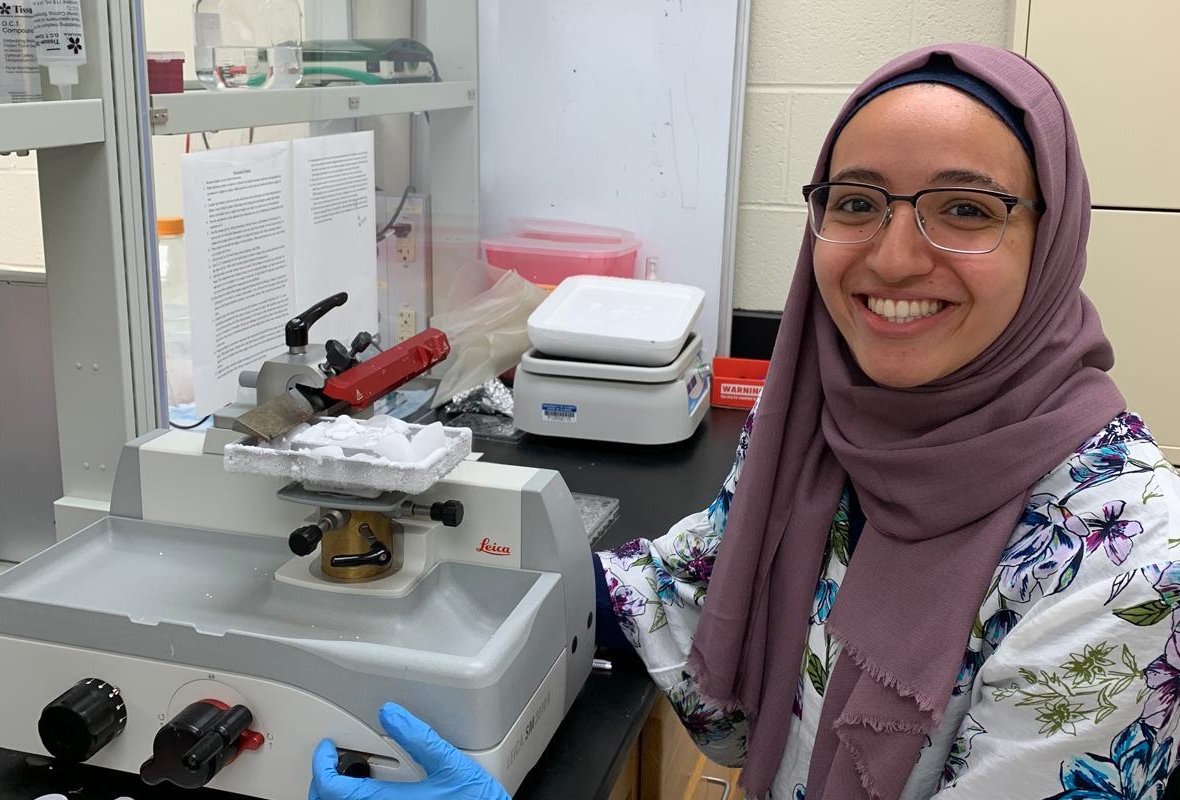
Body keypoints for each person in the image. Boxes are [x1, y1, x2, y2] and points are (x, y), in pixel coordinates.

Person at [309, 42, 1180, 800]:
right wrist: (449, 532)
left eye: (967, 209)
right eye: (856, 201)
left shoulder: (1127, 567)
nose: (894, 255)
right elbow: (698, 584)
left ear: (1053, 237)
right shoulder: (812, 420)